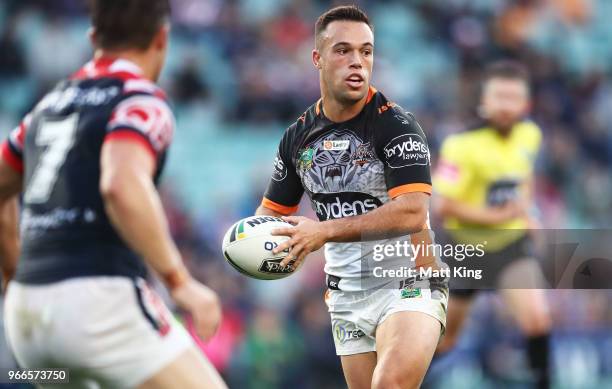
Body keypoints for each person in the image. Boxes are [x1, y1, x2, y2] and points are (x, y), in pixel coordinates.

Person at [0, 1, 226, 388]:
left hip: (28, 329)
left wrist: (14, 274)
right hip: (98, 307)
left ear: (93, 38)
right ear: (161, 37)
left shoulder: (45, 108)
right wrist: (179, 281)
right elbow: (120, 184)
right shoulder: (140, 99)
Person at [256, 5, 448, 389]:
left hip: (409, 281)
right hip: (346, 296)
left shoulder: (397, 126)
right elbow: (270, 217)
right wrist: (254, 247)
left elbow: (412, 213)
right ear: (318, 58)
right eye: (343, 50)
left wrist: (323, 231)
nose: (357, 61)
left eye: (366, 51)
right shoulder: (297, 137)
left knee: (388, 384)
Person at [432, 61, 552, 388]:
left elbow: (522, 179)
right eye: (499, 96)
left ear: (525, 103)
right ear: (484, 101)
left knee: (538, 320)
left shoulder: (530, 134)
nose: (505, 105)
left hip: (508, 246)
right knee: (447, 341)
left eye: (513, 97)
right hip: (463, 248)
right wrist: (499, 216)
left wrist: (527, 216)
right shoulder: (461, 146)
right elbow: (443, 206)